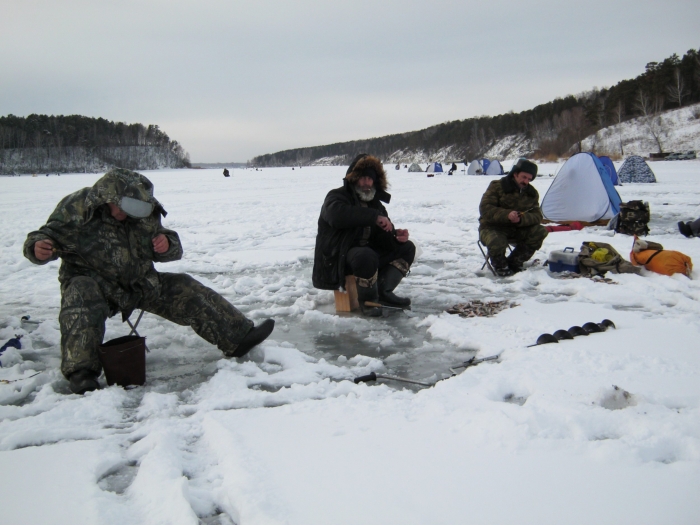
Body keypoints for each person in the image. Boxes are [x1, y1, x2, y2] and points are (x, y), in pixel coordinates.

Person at [24, 168, 274, 394]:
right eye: (121, 208)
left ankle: (238, 337)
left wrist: (166, 245)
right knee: (80, 292)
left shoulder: (144, 209)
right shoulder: (76, 207)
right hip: (94, 284)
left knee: (184, 286)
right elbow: (43, 236)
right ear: (107, 199)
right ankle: (82, 372)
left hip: (140, 283)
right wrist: (37, 248)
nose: (125, 214)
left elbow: (169, 244)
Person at [312, 154, 415, 316]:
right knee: (365, 255)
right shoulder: (336, 196)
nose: (366, 183)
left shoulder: (375, 204)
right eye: (363, 178)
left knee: (408, 248)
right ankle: (368, 301)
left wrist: (395, 236)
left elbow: (382, 237)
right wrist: (373, 217)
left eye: (370, 179)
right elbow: (336, 216)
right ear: (353, 179)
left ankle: (383, 291)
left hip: (367, 255)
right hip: (340, 256)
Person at [478, 158, 548, 276]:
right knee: (497, 240)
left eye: (529, 179)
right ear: (515, 174)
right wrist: (507, 215)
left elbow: (537, 215)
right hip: (492, 228)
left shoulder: (532, 193)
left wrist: (521, 219)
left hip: (517, 229)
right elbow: (485, 208)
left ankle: (514, 262)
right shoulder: (497, 186)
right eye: (524, 177)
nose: (526, 181)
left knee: (540, 231)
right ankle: (500, 266)